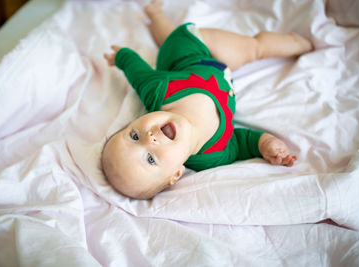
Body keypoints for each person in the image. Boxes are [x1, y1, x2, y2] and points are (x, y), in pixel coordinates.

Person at [102, 0, 313, 200]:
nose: (150, 138)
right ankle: (156, 14)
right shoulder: (212, 156)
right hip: (185, 61)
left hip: (193, 48)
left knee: (252, 50)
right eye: (150, 158)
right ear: (176, 174)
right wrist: (267, 144)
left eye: (134, 135)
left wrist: (121, 57)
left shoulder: (157, 90)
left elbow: (137, 71)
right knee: (166, 42)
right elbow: (242, 142)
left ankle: (295, 42)